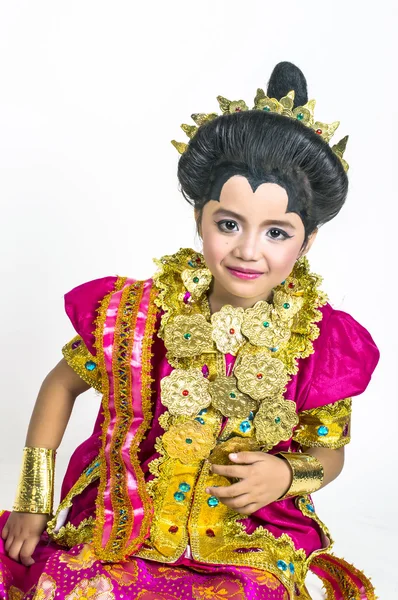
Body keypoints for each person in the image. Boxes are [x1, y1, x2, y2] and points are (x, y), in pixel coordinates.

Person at [0, 61, 379, 600]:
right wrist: (33, 499)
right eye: (228, 224)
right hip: (123, 530)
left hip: (248, 544)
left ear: (308, 241)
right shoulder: (135, 313)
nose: (248, 250)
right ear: (200, 218)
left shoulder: (323, 341)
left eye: (276, 232)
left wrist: (289, 476)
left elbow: (330, 450)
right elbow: (60, 384)